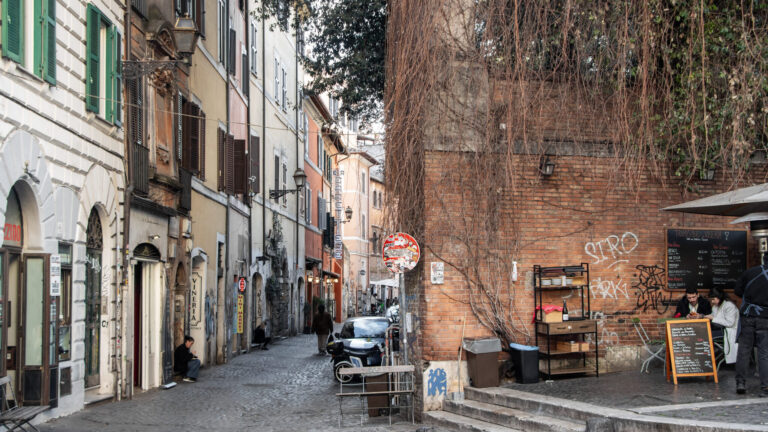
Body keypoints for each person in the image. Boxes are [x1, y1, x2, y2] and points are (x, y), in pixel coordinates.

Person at [734, 263, 768, 396]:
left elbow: (737, 290)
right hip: (765, 317)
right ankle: (765, 386)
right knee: (764, 353)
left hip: (748, 315)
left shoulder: (750, 273)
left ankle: (740, 383)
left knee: (744, 350)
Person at [705, 287, 739, 364]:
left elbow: (730, 323)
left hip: (731, 331)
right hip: (721, 329)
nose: (712, 301)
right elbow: (714, 315)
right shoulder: (716, 306)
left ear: (719, 297)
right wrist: (703, 316)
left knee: (707, 336)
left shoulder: (729, 305)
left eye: (713, 299)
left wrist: (713, 318)